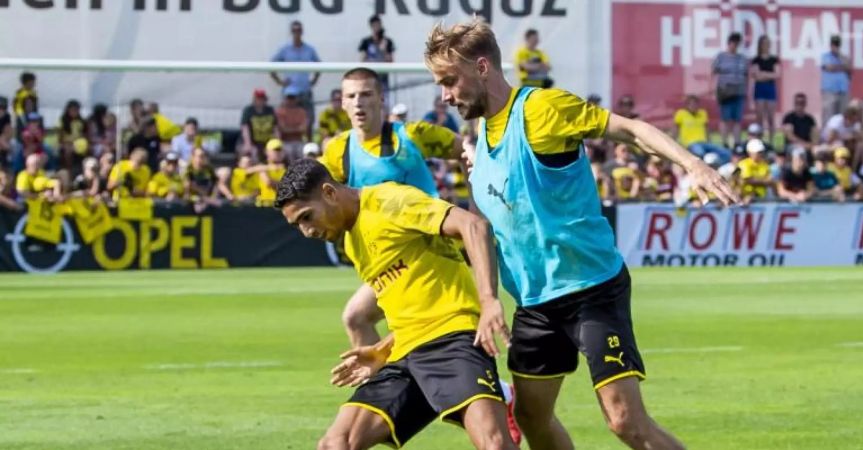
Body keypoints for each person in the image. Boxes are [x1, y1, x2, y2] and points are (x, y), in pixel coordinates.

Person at [425, 19, 739, 450]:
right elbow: (483, 223)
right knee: (531, 416)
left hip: (592, 289)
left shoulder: (541, 110)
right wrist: (487, 296)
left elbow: (630, 129)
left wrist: (693, 164)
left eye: (448, 80)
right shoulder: (478, 135)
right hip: (535, 304)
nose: (444, 95)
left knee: (625, 422)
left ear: (482, 68)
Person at [319, 67, 524, 443]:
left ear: (381, 98)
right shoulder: (338, 150)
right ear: (341, 103)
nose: (358, 103)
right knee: (364, 318)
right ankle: (400, 381)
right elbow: (325, 195)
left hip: (433, 246)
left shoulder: (412, 135)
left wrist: (474, 210)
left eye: (366, 94)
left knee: (358, 314)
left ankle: (426, 382)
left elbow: (465, 150)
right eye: (351, 96)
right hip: (389, 253)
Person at [274, 159, 516, 450]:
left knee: (495, 444)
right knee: (335, 443)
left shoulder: (390, 202)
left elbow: (473, 225)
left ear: (329, 192)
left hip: (452, 340)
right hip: (404, 355)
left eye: (307, 217)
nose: (307, 231)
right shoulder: (352, 242)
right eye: (297, 224)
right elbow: (411, 304)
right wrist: (383, 350)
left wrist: (488, 300)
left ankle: (503, 397)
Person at [271, 20, 321, 137]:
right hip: (289, 92)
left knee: (309, 120)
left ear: (302, 32)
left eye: (298, 30)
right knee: (284, 120)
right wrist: (279, 82)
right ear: (291, 32)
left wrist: (314, 80)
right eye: (294, 31)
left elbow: (319, 65)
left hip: (304, 90)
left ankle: (309, 146)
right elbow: (271, 66)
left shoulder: (309, 49)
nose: (296, 33)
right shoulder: (285, 49)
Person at [712, 32, 749, 148]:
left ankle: (737, 142)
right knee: (725, 118)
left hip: (739, 91)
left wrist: (747, 90)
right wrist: (715, 90)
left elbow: (746, 75)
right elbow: (713, 73)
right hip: (725, 92)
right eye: (733, 43)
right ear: (729, 43)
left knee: (737, 119)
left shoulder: (742, 58)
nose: (735, 46)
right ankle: (724, 142)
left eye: (737, 43)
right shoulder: (721, 57)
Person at [672, 94, 730, 163]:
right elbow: (675, 129)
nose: (694, 106)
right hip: (690, 144)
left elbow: (707, 129)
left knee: (726, 153)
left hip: (704, 142)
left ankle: (716, 166)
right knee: (700, 153)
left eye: (696, 104)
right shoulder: (681, 114)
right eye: (691, 104)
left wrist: (709, 140)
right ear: (687, 105)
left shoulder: (702, 113)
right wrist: (673, 142)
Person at [749, 35, 780, 144]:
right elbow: (756, 75)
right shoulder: (756, 60)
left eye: (767, 43)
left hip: (770, 88)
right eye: (763, 43)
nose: (765, 45)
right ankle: (759, 140)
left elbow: (777, 74)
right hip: (760, 88)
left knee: (771, 117)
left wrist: (763, 74)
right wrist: (768, 74)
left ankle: (771, 141)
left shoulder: (773, 59)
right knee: (760, 117)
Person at [240, 89, 279, 162]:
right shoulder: (248, 110)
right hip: (253, 142)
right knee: (253, 153)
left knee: (276, 151)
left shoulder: (270, 110)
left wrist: (278, 141)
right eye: (258, 98)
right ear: (254, 99)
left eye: (262, 99)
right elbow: (245, 128)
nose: (260, 101)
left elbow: (275, 127)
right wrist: (247, 143)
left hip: (268, 142)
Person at [820, 34, 851, 124]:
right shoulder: (825, 56)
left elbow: (849, 69)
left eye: (837, 45)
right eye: (833, 44)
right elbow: (829, 68)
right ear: (830, 45)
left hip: (843, 91)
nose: (835, 47)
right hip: (830, 91)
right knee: (828, 116)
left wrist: (840, 60)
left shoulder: (844, 57)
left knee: (842, 117)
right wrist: (842, 67)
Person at [358, 15, 395, 90]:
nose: (377, 27)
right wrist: (372, 62)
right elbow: (362, 60)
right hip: (370, 76)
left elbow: (391, 61)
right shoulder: (366, 42)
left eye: (378, 25)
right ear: (371, 26)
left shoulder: (387, 41)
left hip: (383, 77)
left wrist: (384, 50)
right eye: (374, 25)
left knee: (383, 98)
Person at [275, 93, 309, 162]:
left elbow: (303, 128)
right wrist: (297, 128)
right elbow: (283, 129)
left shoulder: (301, 111)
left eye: (293, 98)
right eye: (289, 98)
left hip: (299, 140)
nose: (291, 101)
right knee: (289, 152)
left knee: (303, 151)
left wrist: (290, 128)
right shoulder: (280, 111)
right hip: (286, 141)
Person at [254, 139, 287, 207]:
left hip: (281, 206)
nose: (278, 153)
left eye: (280, 150)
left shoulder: (287, 169)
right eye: (275, 150)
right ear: (267, 152)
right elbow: (268, 182)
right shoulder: (262, 168)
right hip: (265, 206)